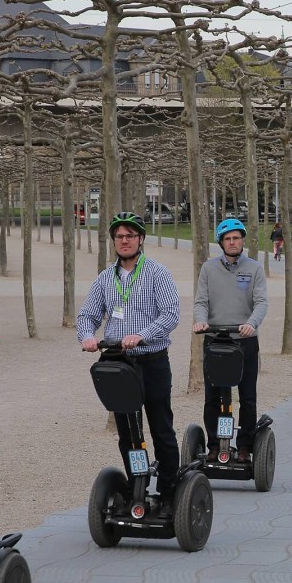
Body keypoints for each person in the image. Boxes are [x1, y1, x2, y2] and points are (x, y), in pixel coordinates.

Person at [77, 212, 182, 515]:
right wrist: (87, 337)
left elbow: (170, 315)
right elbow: (87, 315)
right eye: (119, 236)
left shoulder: (157, 273)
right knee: (127, 431)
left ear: (140, 240)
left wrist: (142, 334)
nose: (124, 241)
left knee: (160, 427)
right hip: (118, 364)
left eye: (130, 236)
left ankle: (167, 491)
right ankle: (137, 482)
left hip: (151, 361)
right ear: (113, 241)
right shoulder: (105, 278)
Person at [194, 218, 268, 462]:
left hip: (244, 340)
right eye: (228, 238)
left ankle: (245, 447)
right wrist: (201, 321)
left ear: (242, 240)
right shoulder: (208, 268)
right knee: (213, 396)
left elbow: (261, 302)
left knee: (247, 396)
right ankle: (214, 445)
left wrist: (251, 324)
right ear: (221, 242)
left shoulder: (254, 268)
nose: (233, 242)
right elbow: (201, 302)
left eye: (236, 238)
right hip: (216, 339)